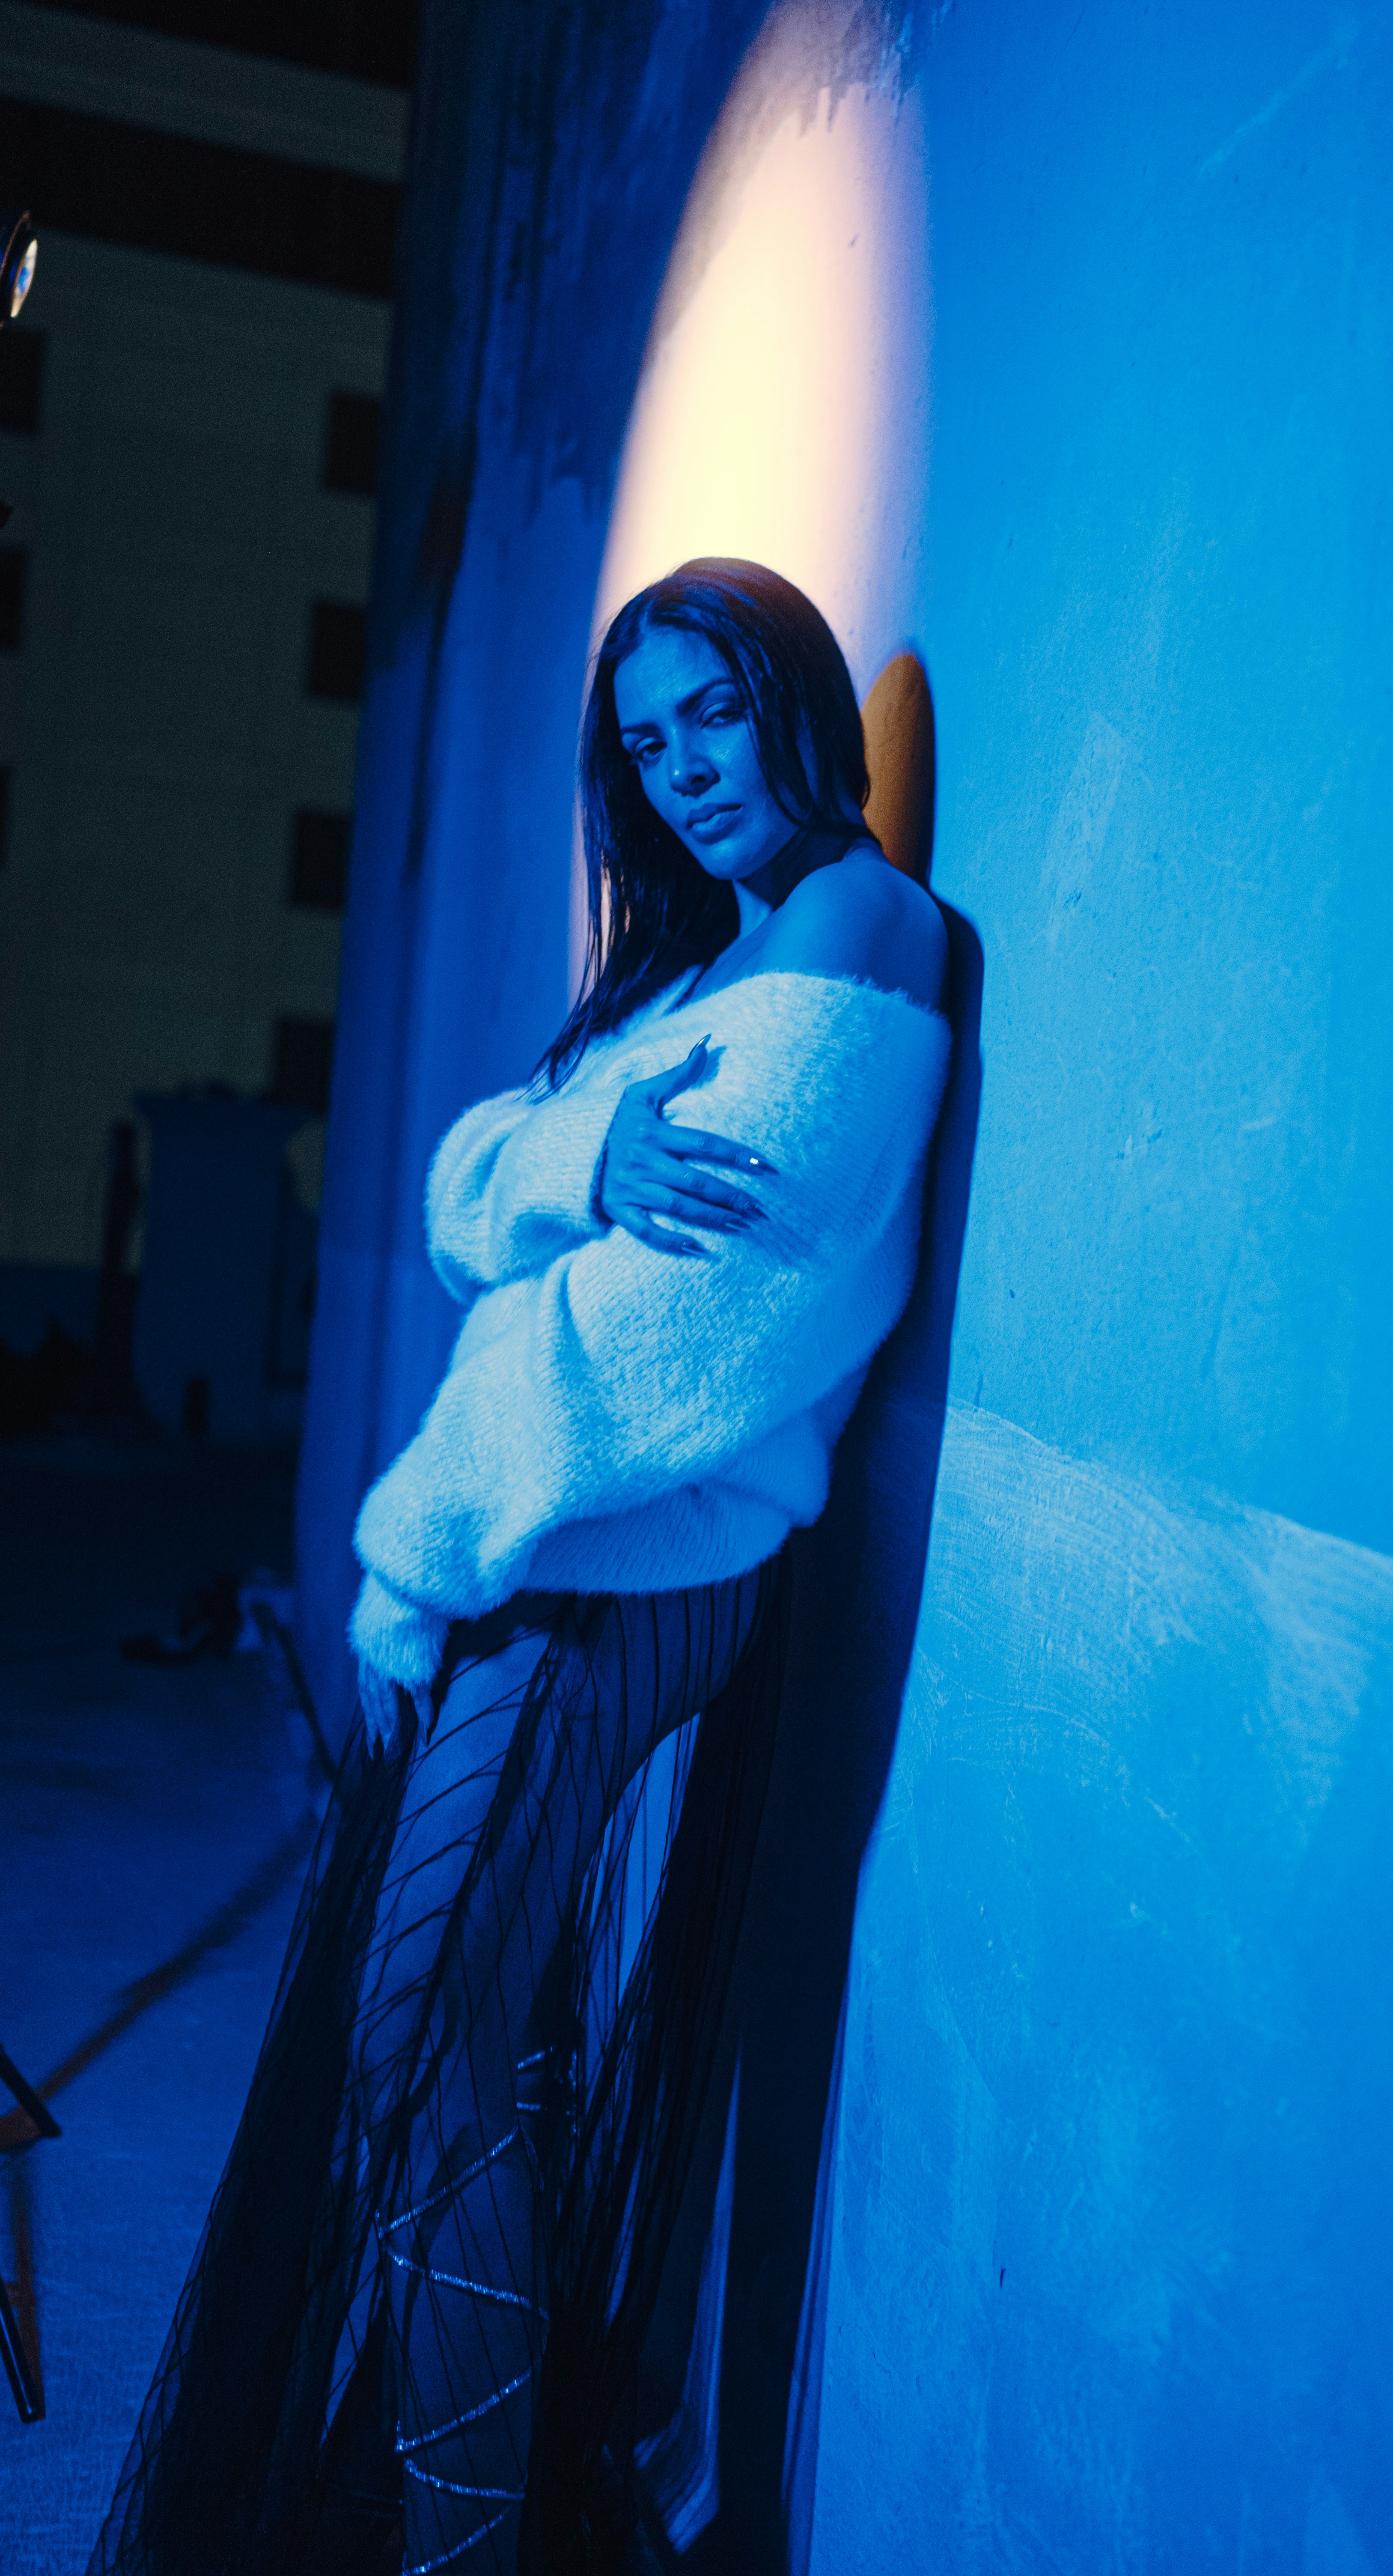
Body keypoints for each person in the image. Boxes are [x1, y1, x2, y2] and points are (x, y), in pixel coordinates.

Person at [88, 561, 949, 2576]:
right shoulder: (686, 978)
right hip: (547, 1563)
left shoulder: (854, 919)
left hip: (611, 1565)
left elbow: (673, 1329)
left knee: (422, 2033)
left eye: (713, 714)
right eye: (645, 746)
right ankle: (460, 2520)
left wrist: (428, 1533)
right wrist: (574, 1168)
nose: (682, 773)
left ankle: (461, 2539)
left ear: (797, 701)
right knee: (444, 2041)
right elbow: (470, 1192)